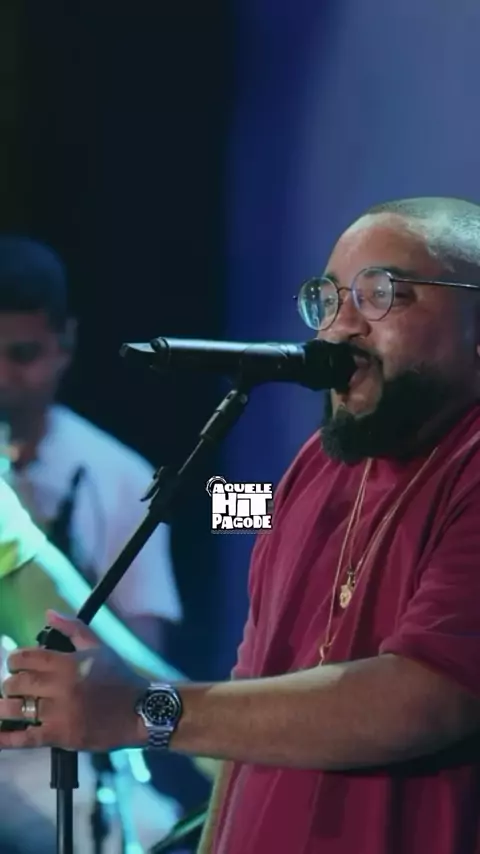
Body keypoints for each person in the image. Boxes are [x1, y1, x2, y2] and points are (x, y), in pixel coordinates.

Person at [4, 196, 480, 854]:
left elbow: (427, 697)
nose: (340, 326)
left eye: (381, 294)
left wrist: (145, 707)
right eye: (328, 298)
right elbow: (251, 690)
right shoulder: (314, 469)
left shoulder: (115, 473)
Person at [0, 235, 184, 851]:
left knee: (154, 834)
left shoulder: (124, 477)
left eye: (21, 355)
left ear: (65, 344)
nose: (2, 379)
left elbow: (132, 661)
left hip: (62, 751)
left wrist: (214, 732)